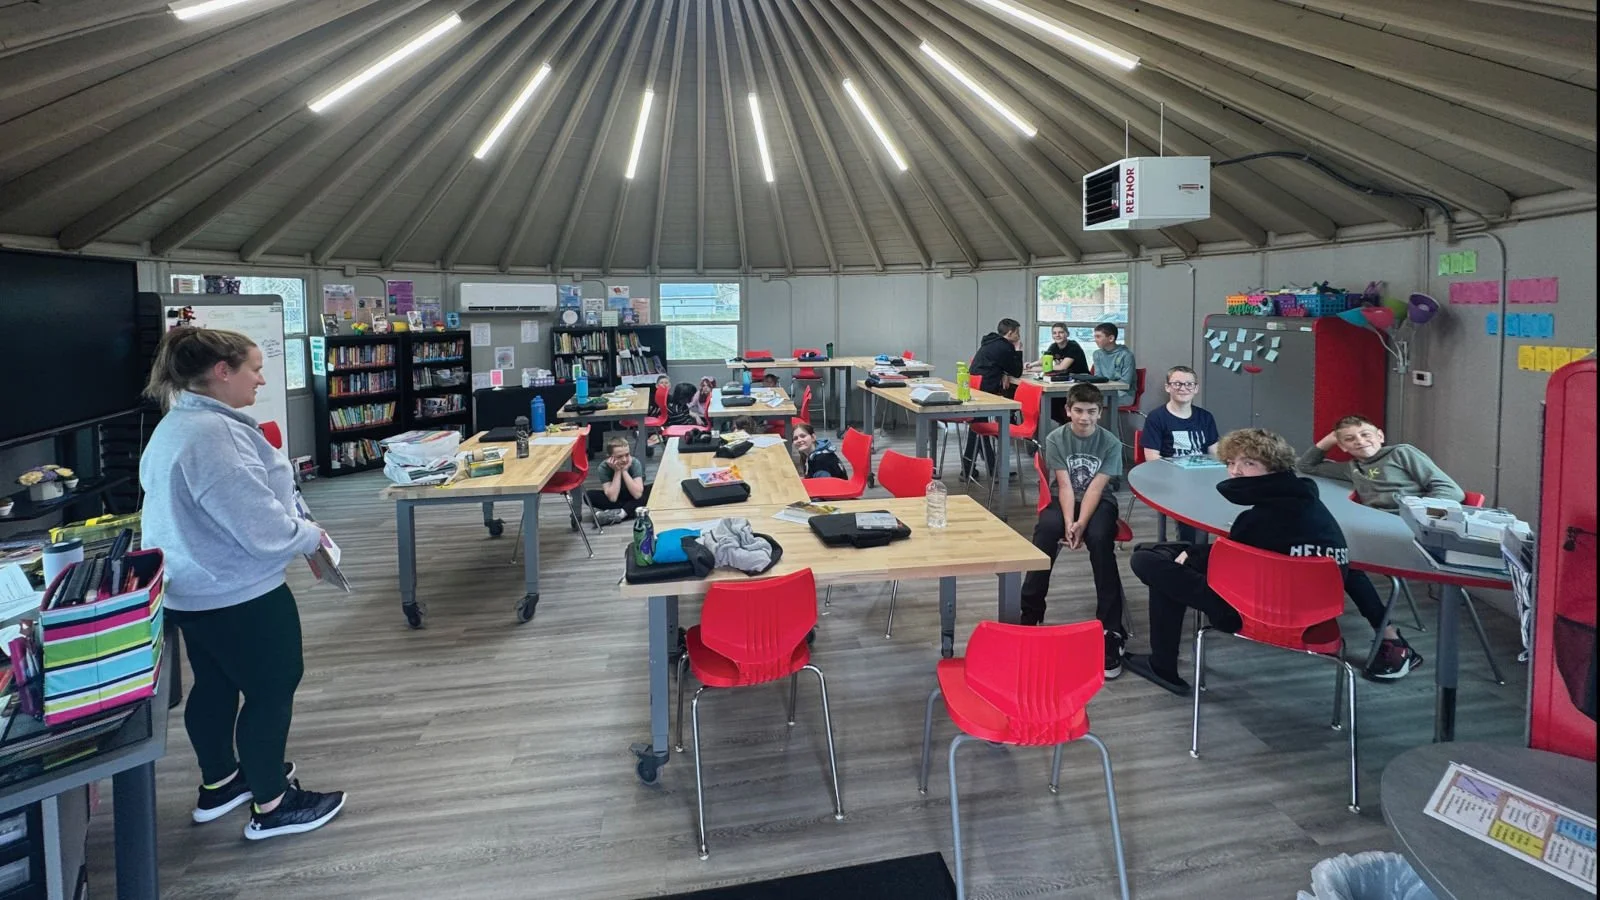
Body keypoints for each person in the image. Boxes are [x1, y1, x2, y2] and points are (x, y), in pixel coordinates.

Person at [138, 327, 346, 841]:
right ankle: (272, 804)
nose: (261, 378)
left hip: (190, 587)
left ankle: (221, 783)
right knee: (272, 688)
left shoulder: (175, 425)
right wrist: (309, 535)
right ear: (221, 372)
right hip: (238, 592)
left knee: (215, 684)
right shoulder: (216, 437)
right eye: (254, 368)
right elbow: (262, 529)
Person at [1123, 429, 1422, 695]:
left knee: (1147, 562)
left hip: (1252, 611)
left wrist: (1193, 557)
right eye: (1231, 462)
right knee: (1166, 555)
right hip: (1315, 614)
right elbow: (1261, 549)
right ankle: (1390, 636)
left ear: (1273, 466)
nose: (1235, 471)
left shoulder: (1257, 519)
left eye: (1248, 463)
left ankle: (1163, 665)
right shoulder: (1311, 507)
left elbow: (1235, 557)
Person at [1019, 383, 1129, 677]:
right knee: (1046, 531)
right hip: (1063, 498)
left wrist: (1082, 523)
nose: (1084, 417)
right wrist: (1070, 523)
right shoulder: (1055, 438)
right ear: (1068, 410)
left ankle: (1111, 629)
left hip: (1100, 501)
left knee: (1099, 537)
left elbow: (1095, 488)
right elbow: (1065, 485)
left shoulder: (1111, 443)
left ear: (1100, 413)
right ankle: (1030, 612)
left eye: (1091, 411)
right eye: (1078, 410)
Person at [1297, 415, 1465, 510]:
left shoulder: (1401, 453)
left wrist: (1418, 511)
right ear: (1342, 446)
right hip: (1376, 522)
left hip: (1411, 520)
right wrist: (1329, 439)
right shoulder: (1351, 468)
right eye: (1349, 439)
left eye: (1365, 434)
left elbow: (1452, 492)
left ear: (1380, 436)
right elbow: (1306, 466)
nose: (1360, 441)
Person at [1140, 365, 1220, 543]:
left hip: (1203, 477)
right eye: (1177, 384)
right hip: (1173, 479)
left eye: (1189, 384)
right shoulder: (1156, 417)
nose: (1183, 388)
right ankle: (1191, 548)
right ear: (1167, 387)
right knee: (1192, 504)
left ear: (1196, 388)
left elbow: (1215, 452)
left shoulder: (1205, 417)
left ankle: (1202, 548)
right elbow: (1152, 458)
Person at [963, 318, 1024, 481]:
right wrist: (1018, 350)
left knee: (978, 427)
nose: (1019, 336)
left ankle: (973, 469)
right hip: (986, 391)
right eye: (1017, 332)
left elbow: (996, 363)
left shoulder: (990, 342)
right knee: (979, 427)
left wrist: (1003, 373)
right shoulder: (1006, 346)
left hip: (975, 389)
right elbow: (1017, 371)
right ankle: (982, 469)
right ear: (1010, 333)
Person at [1027, 322, 1089, 424]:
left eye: (1061, 332)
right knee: (1043, 402)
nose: (1057, 335)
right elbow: (1044, 360)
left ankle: (1066, 423)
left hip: (1079, 382)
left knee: (1053, 402)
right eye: (1054, 333)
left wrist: (1037, 369)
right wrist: (1030, 365)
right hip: (1064, 381)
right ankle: (1063, 423)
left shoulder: (1073, 347)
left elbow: (1061, 367)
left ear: (1067, 334)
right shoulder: (1054, 346)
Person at [588, 437, 650, 525]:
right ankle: (629, 510)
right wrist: (617, 471)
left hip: (632, 495)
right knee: (589, 496)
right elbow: (613, 498)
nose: (624, 459)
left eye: (627, 455)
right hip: (617, 497)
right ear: (610, 457)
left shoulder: (634, 463)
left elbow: (637, 494)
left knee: (652, 490)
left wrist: (624, 471)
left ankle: (621, 514)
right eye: (619, 457)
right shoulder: (603, 467)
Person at [1090, 322, 1136, 411]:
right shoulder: (1097, 354)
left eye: (1098, 337)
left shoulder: (1126, 355)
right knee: (1080, 398)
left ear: (1111, 338)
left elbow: (1125, 383)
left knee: (1088, 401)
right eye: (1095, 337)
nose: (1095, 340)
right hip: (1103, 392)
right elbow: (1098, 378)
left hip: (1124, 394)